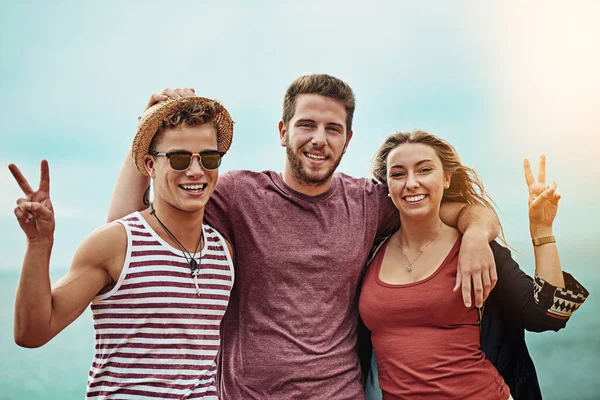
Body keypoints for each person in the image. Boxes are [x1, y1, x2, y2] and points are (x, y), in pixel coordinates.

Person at [107, 75, 501, 399]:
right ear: (283, 131)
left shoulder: (367, 201)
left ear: (347, 139)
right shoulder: (237, 194)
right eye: (307, 125)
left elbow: (455, 209)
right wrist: (148, 127)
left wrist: (476, 237)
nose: (319, 139)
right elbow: (126, 227)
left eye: (333, 129)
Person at [10, 96, 235, 399]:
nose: (196, 171)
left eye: (208, 158)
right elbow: (32, 333)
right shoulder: (116, 244)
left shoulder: (224, 253)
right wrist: (38, 244)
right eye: (180, 158)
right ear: (149, 165)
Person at [359, 130, 588, 400]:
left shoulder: (477, 249)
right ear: (387, 185)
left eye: (424, 170)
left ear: (446, 179)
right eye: (398, 174)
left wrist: (542, 229)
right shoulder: (369, 251)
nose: (411, 183)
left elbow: (547, 315)